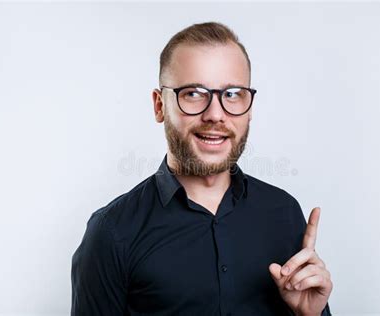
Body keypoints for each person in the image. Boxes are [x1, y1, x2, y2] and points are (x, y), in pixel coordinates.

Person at [71, 21, 333, 316]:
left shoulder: (283, 212)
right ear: (159, 106)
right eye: (193, 93)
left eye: (232, 94)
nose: (215, 114)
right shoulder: (112, 233)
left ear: (249, 106)